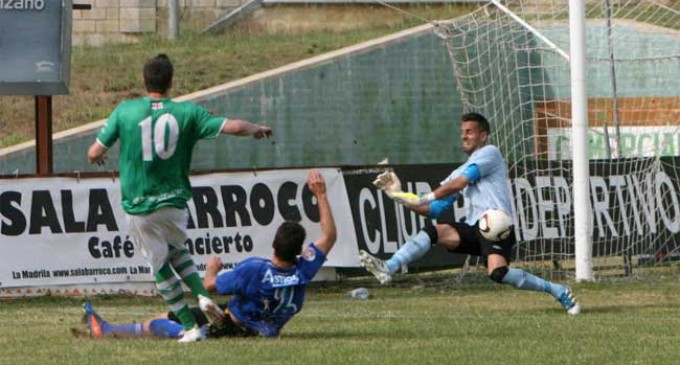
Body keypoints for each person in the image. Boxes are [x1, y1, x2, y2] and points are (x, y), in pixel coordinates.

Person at [86, 53, 274, 342]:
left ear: (144, 80)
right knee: (177, 251)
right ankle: (201, 297)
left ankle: (190, 326)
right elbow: (232, 126)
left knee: (160, 267)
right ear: (171, 82)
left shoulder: (125, 111)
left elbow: (94, 152)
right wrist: (257, 129)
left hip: (141, 206)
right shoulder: (188, 112)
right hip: (175, 204)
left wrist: (100, 155)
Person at [359, 112, 580, 315]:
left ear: (484, 136)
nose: (464, 136)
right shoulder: (459, 171)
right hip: (476, 227)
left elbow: (460, 183)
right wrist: (399, 196)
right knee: (434, 230)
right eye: (462, 132)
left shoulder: (490, 153)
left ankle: (558, 290)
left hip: (497, 227)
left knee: (498, 274)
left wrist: (423, 197)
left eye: (470, 132)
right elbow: (434, 209)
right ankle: (389, 266)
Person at [82, 169, 337, 340]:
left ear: (274, 244)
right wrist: (322, 196)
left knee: (171, 323)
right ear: (299, 252)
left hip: (233, 326)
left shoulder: (255, 270)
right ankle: (113, 330)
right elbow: (329, 237)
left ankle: (109, 330)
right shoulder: (303, 272)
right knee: (172, 316)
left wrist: (212, 268)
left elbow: (208, 288)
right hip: (264, 328)